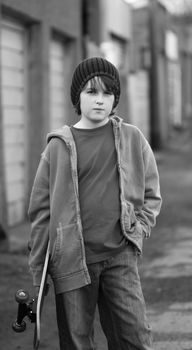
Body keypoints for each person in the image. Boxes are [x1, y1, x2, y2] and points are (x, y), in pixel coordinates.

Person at [28, 56, 162, 350]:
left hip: (119, 257)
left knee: (134, 338)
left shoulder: (132, 138)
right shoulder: (58, 147)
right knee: (77, 342)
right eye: (91, 92)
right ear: (77, 96)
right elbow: (40, 214)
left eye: (107, 93)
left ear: (116, 99)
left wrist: (138, 230)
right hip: (72, 263)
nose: (100, 100)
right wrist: (39, 274)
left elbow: (152, 192)